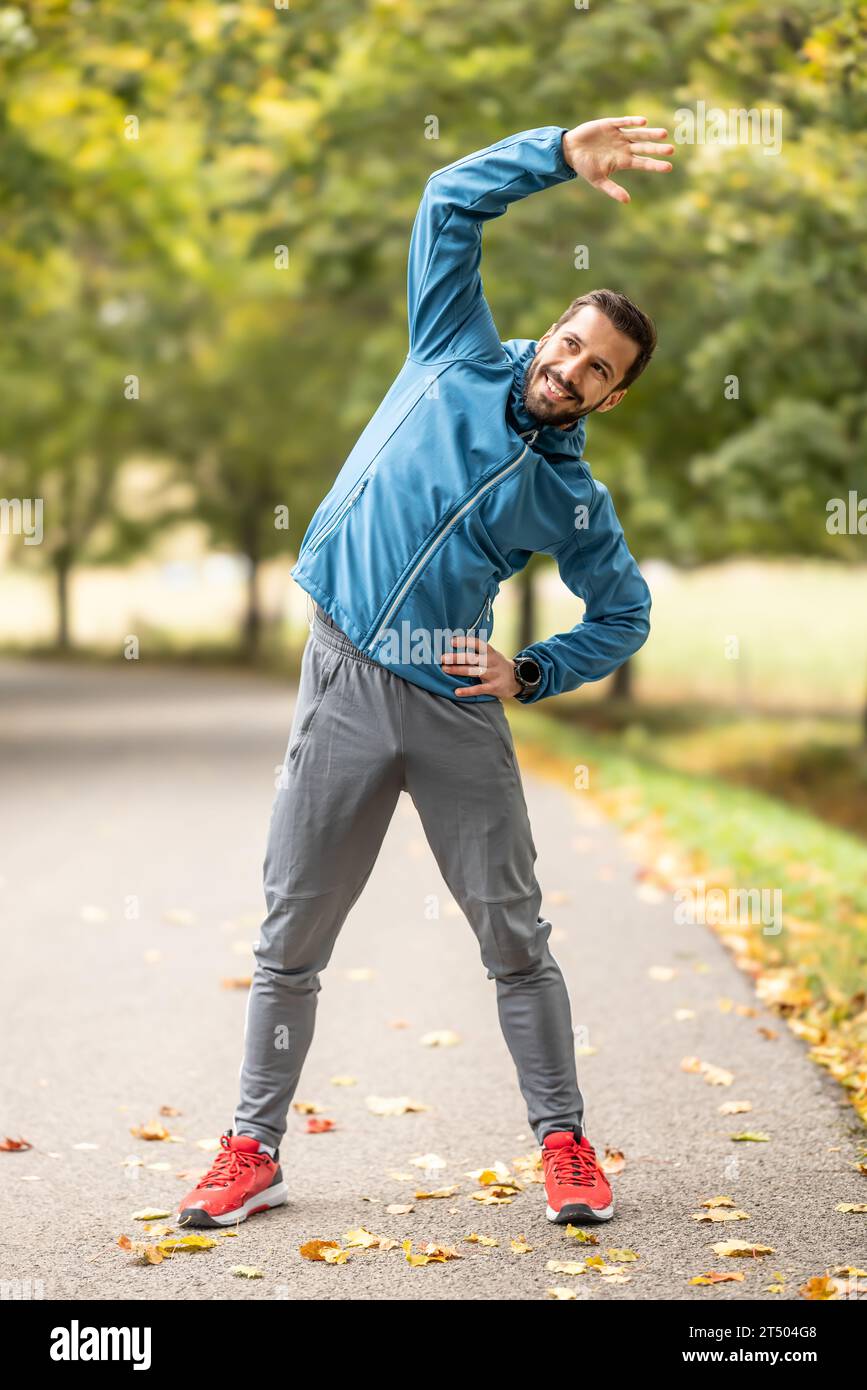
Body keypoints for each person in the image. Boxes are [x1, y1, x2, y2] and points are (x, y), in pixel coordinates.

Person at [176, 116, 673, 1230]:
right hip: (346, 678)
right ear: (548, 330)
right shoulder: (450, 344)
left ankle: (567, 1147)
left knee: (514, 936)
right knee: (290, 936)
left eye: (598, 369)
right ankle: (252, 1147)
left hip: (454, 703)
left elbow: (627, 612)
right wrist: (557, 155)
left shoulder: (574, 500)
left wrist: (533, 669)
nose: (570, 366)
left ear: (612, 397)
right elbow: (449, 197)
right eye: (569, 342)